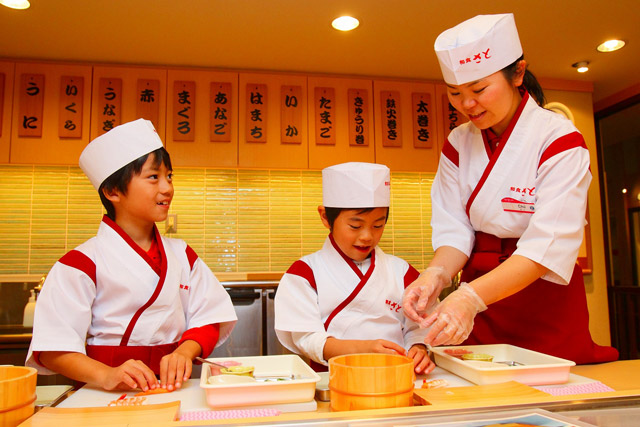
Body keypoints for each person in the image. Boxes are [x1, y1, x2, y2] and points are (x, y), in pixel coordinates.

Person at [402, 14, 618, 364]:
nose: (466, 105)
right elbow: (454, 230)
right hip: (479, 297)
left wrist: (470, 298)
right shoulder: (458, 143)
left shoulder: (559, 139)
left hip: (544, 297)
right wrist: (437, 275)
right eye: (455, 93)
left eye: (479, 90)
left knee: (551, 395)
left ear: (518, 74)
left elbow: (544, 246)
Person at [26, 119, 237, 391]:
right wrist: (106, 375)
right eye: (153, 177)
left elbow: (210, 317)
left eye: (169, 176)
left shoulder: (183, 254)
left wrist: (185, 352)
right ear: (112, 191)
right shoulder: (79, 263)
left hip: (175, 388)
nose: (167, 188)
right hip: (101, 394)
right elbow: (53, 348)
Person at [275, 162, 434, 374]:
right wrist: (363, 350)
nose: (367, 236)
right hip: (333, 379)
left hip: (399, 377)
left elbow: (420, 326)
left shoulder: (403, 272)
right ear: (325, 217)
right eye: (355, 226)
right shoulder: (304, 274)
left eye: (378, 225)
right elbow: (307, 338)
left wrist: (419, 348)